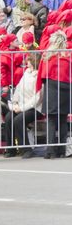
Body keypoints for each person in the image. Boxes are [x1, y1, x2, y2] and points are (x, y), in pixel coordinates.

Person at [36, 31, 72, 159]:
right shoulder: (68, 54)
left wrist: (38, 87)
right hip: (66, 87)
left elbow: (42, 73)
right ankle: (61, 150)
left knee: (51, 120)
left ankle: (50, 150)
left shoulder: (48, 55)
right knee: (62, 119)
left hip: (51, 87)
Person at [4, 53, 43, 159]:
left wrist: (21, 108)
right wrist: (15, 103)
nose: (27, 63)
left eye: (29, 61)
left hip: (36, 108)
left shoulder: (38, 76)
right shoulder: (26, 73)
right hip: (22, 106)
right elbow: (18, 89)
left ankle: (26, 149)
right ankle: (10, 149)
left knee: (18, 120)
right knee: (8, 118)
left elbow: (37, 98)